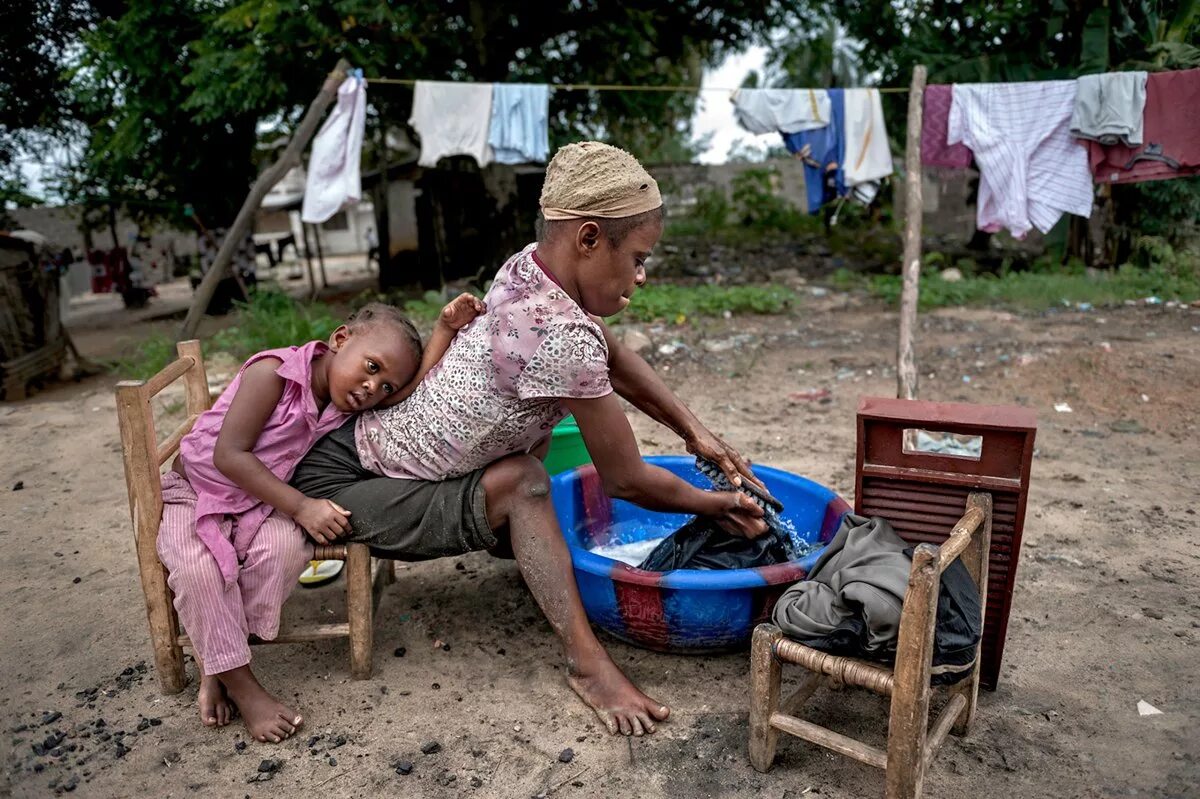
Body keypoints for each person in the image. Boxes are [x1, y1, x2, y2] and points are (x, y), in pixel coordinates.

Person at [291, 141, 768, 737]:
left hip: (373, 452)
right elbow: (624, 480)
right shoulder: (559, 337)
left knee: (530, 447)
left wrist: (698, 434)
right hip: (347, 487)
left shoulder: (528, 267)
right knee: (526, 482)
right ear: (588, 239)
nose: (641, 277)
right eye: (639, 258)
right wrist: (712, 502)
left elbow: (612, 355)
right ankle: (588, 664)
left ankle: (517, 546)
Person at [158, 295, 484, 744]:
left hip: (254, 504)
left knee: (287, 549)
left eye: (384, 386)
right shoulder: (271, 374)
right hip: (195, 494)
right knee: (197, 571)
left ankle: (220, 664)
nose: (374, 388)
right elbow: (228, 455)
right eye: (371, 367)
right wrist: (301, 506)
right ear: (340, 339)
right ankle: (244, 687)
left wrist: (445, 330)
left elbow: (410, 388)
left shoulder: (343, 402)